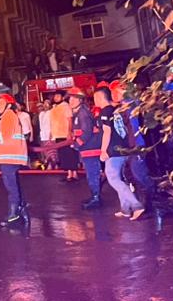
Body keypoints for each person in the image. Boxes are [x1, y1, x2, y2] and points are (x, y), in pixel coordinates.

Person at [110, 80, 162, 228]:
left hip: (138, 145)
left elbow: (134, 127)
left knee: (140, 175)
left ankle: (150, 205)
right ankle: (147, 205)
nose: (113, 95)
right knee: (135, 175)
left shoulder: (132, 105)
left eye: (115, 92)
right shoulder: (125, 106)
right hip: (132, 146)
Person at [95, 86, 144, 220]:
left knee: (114, 179)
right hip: (124, 147)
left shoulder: (105, 112)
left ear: (100, 97)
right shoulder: (116, 110)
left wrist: (103, 150)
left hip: (113, 150)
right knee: (119, 178)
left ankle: (136, 205)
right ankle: (125, 208)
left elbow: (107, 132)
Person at [0, 92, 30, 229]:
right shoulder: (9, 116)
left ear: (8, 105)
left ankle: (14, 215)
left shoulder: (8, 116)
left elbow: (3, 137)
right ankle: (21, 210)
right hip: (11, 157)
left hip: (9, 157)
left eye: (1, 103)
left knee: (11, 187)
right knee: (14, 185)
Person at [68, 88, 103, 207]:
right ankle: (94, 196)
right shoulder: (79, 113)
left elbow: (87, 132)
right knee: (91, 173)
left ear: (80, 100)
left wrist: (76, 144)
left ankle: (96, 198)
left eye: (74, 98)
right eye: (70, 98)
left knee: (92, 174)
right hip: (87, 149)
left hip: (90, 149)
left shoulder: (82, 114)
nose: (71, 101)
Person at [48, 91, 75, 179]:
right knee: (63, 155)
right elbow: (52, 122)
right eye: (55, 96)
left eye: (58, 96)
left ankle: (73, 174)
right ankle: (69, 174)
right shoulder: (54, 108)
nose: (56, 97)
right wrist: (51, 134)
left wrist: (69, 132)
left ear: (62, 97)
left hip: (65, 134)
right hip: (57, 135)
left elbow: (70, 120)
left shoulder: (66, 106)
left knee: (69, 154)